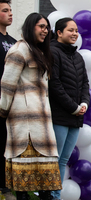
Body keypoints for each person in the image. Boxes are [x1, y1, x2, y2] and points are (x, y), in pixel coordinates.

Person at [0, 13, 62, 200]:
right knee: (23, 182)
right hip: (24, 122)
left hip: (42, 120)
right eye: (41, 27)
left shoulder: (40, 51)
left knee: (45, 180)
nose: (45, 31)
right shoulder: (18, 50)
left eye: (46, 27)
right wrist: (2, 111)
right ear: (30, 27)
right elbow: (7, 84)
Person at [48, 17, 90, 200]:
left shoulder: (78, 56)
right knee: (54, 160)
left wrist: (84, 103)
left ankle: (54, 194)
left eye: (76, 31)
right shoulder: (52, 52)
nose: (74, 34)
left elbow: (85, 84)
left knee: (63, 159)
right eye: (70, 30)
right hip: (59, 116)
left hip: (75, 116)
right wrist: (74, 107)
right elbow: (54, 85)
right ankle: (51, 195)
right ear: (59, 33)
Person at [0, 1, 16, 200]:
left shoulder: (14, 41)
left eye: (11, 10)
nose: (10, 14)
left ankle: (6, 186)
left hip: (12, 104)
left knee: (7, 146)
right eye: (5, 11)